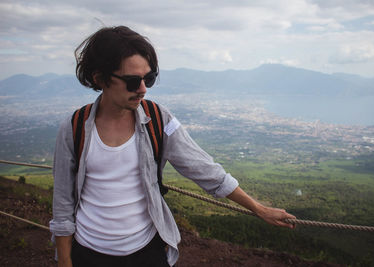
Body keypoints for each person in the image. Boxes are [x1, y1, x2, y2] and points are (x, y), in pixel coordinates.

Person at [49, 25, 296, 267]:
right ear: (100, 78)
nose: (143, 89)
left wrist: (259, 209)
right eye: (133, 81)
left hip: (147, 251)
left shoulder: (159, 119)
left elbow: (205, 170)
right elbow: (62, 204)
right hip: (90, 253)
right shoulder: (74, 128)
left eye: (149, 78)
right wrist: (65, 260)